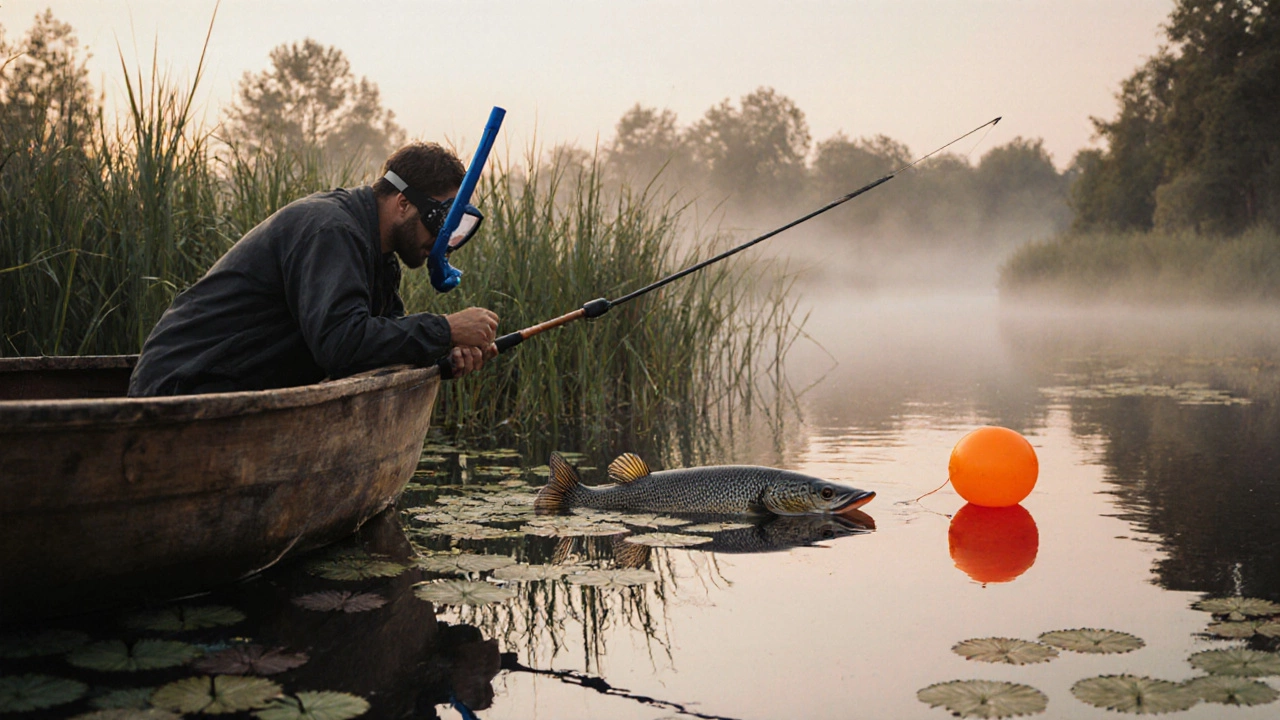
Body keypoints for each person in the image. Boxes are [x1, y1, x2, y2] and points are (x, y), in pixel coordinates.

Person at [127, 142, 498, 397]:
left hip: (230, 390)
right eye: (441, 222)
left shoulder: (377, 253)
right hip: (183, 390)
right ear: (403, 203)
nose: (443, 243)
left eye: (456, 230)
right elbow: (342, 344)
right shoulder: (332, 231)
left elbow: (381, 342)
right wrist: (445, 328)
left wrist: (443, 355)